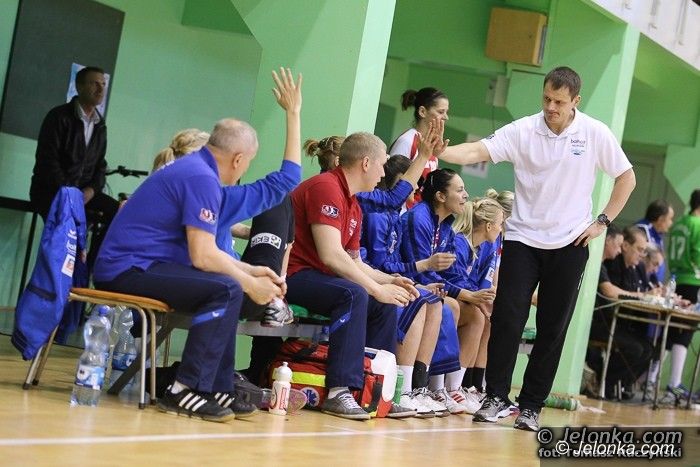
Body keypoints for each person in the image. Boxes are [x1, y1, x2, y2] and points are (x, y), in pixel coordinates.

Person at [93, 70, 298, 423]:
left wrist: (251, 270)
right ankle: (184, 389)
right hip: (125, 270)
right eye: (248, 162)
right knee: (226, 289)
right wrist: (249, 281)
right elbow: (202, 256)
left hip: (149, 268)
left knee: (230, 285)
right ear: (238, 160)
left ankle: (217, 386)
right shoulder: (199, 178)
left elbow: (285, 181)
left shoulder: (205, 178)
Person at [439, 66, 636, 431]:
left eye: (559, 102)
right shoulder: (524, 130)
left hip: (571, 243)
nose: (551, 107)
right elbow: (478, 149)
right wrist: (443, 150)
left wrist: (602, 222)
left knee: (552, 327)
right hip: (523, 240)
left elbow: (626, 177)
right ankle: (496, 397)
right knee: (507, 319)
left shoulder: (594, 133)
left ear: (575, 101)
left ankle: (531, 405)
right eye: (546, 99)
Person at [286, 132, 420, 421]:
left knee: (383, 303)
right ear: (366, 163)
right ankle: (339, 391)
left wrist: (388, 281)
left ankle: (376, 391)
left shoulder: (354, 204)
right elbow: (331, 256)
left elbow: (355, 262)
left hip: (321, 278)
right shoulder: (326, 187)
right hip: (294, 276)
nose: (383, 173)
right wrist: (375, 288)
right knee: (355, 293)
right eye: (382, 165)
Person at [399, 169, 497, 413]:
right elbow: (421, 272)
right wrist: (467, 295)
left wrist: (473, 297)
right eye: (460, 190)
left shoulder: (445, 226)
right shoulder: (419, 219)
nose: (466, 195)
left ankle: (454, 388)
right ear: (441, 196)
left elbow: (447, 276)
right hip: (405, 283)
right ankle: (422, 386)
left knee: (475, 315)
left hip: (429, 287)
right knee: (448, 306)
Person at [29, 66, 120, 270]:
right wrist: (70, 193)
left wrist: (92, 190)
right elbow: (48, 162)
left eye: (103, 84)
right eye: (94, 84)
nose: (101, 89)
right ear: (79, 87)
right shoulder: (58, 116)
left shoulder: (100, 125)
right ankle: (57, 278)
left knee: (117, 211)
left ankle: (92, 267)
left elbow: (100, 165)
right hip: (53, 191)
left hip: (83, 193)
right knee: (67, 233)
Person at [444, 197, 504, 412]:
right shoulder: (460, 242)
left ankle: (457, 386)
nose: (501, 229)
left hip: (462, 296)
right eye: (500, 224)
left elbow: (477, 282)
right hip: (445, 294)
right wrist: (475, 297)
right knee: (465, 313)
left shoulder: (480, 247)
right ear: (488, 226)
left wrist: (483, 297)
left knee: (481, 317)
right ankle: (443, 385)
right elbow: (452, 280)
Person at [590, 226, 654, 399]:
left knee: (649, 349)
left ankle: (619, 384)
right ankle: (604, 382)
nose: (642, 255)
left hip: (615, 322)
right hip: (598, 322)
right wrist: (642, 296)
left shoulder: (634, 269)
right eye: (639, 250)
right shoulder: (608, 263)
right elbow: (610, 292)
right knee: (635, 349)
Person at [664, 189, 700, 398]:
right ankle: (675, 384)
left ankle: (652, 380)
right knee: (685, 331)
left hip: (676, 280)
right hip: (693, 281)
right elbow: (698, 254)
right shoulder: (697, 224)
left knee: (670, 330)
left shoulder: (679, 223)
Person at [389, 87, 450, 206]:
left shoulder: (433, 146)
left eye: (446, 112)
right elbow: (391, 183)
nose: (446, 117)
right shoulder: (407, 141)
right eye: (441, 112)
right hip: (403, 213)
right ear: (422, 112)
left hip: (420, 213)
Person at [636, 199, 675, 284]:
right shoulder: (641, 230)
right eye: (670, 219)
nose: (671, 223)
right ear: (661, 219)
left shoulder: (658, 235)